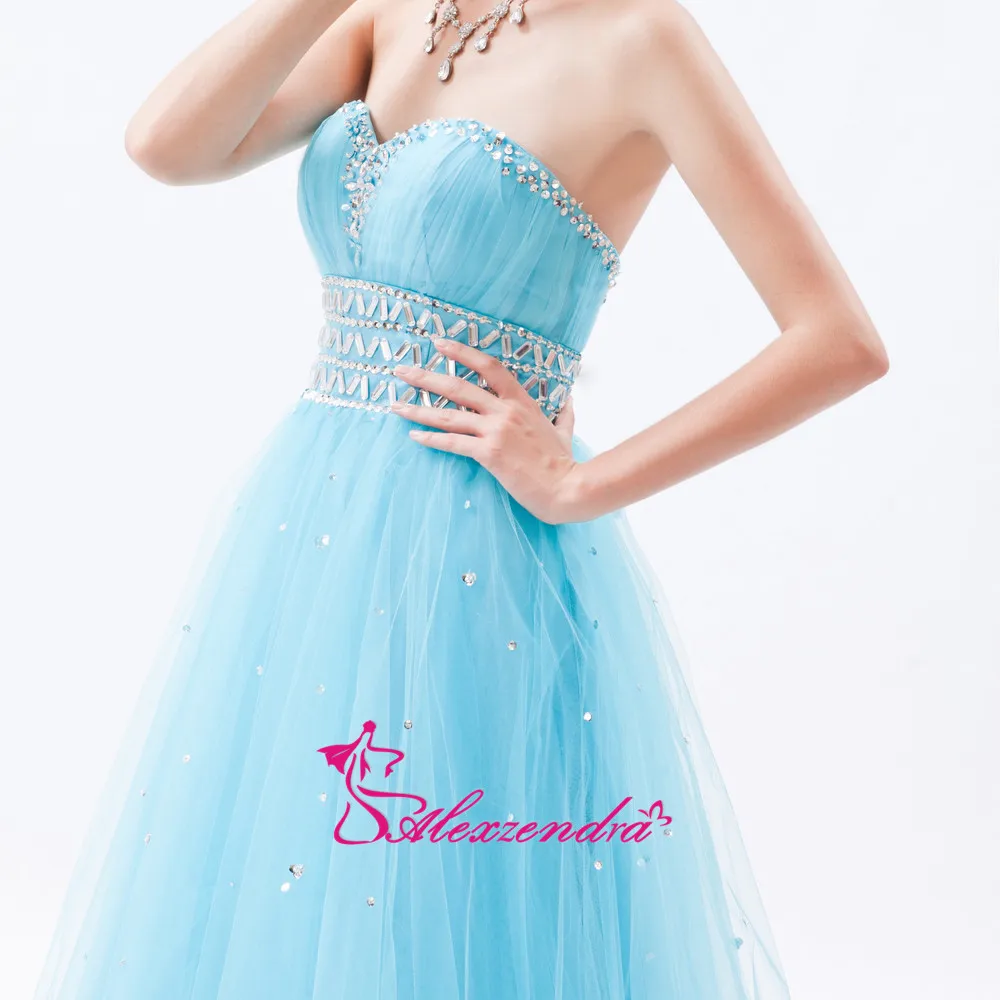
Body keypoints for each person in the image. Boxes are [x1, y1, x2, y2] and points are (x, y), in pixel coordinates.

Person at [33, 0, 889, 997]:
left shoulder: (641, 37)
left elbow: (837, 339)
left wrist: (581, 483)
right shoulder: (386, 14)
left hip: (471, 549)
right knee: (291, 887)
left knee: (438, 901)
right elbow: (167, 146)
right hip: (308, 525)